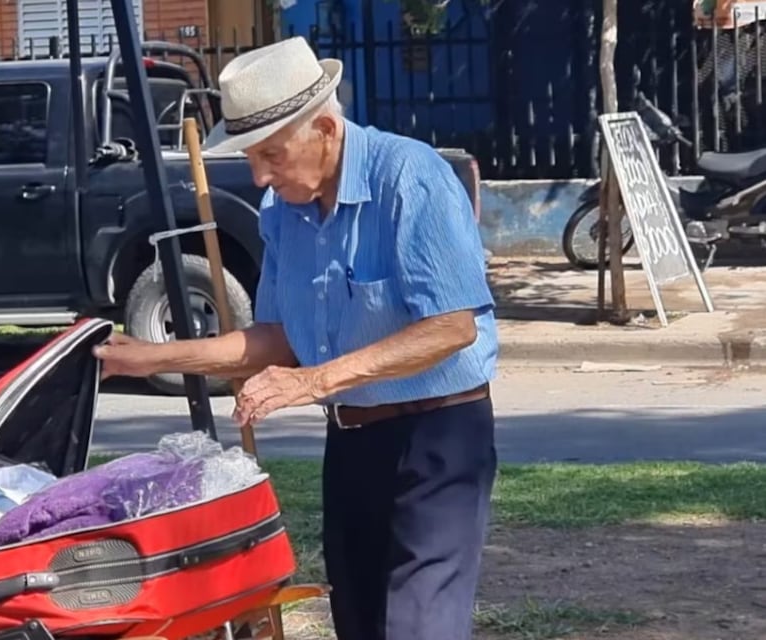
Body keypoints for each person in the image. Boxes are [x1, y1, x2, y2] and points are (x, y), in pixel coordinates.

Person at [93, 36, 498, 640]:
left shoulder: (410, 178)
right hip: (355, 443)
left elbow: (451, 327)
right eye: (251, 156)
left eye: (271, 155)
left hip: (439, 437)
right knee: (359, 622)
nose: (259, 175)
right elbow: (274, 340)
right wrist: (150, 357)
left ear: (327, 130)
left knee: (420, 625)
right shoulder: (283, 212)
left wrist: (313, 381)